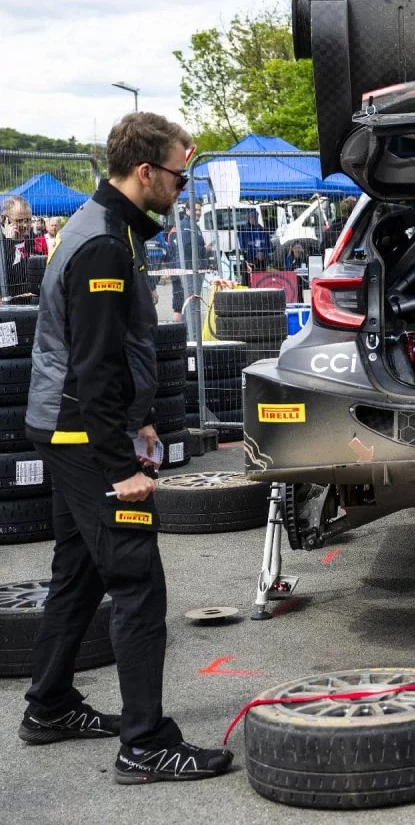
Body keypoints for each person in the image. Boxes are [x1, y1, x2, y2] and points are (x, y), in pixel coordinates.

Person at [21, 112, 233, 783]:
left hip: (73, 427)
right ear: (145, 171)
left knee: (79, 570)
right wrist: (121, 466)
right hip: (83, 436)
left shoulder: (105, 228)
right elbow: (93, 366)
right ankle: (145, 743)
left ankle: (49, 704)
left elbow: (110, 351)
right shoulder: (105, 245)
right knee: (137, 578)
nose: (183, 184)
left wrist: (136, 417)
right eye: (178, 173)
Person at [0, 195, 47, 301]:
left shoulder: (34, 239)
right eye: (19, 220)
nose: (25, 225)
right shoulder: (2, 244)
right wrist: (8, 243)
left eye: (28, 220)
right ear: (5, 220)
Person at [167, 204, 207, 323]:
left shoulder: (195, 226)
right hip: (188, 270)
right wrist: (204, 249)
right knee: (190, 305)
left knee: (191, 304)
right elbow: (186, 247)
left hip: (195, 269)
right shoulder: (185, 225)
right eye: (196, 209)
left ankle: (190, 335)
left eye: (200, 209)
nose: (198, 212)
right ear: (187, 210)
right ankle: (192, 337)